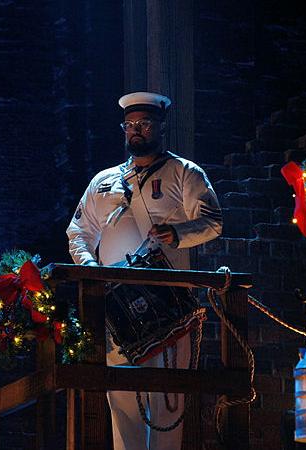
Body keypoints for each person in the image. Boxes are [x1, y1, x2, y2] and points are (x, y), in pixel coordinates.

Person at [66, 91, 223, 450]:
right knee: (120, 397)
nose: (136, 131)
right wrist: (90, 268)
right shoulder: (102, 181)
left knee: (167, 397)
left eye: (144, 124)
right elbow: (78, 231)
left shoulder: (183, 173)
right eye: (130, 125)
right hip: (116, 305)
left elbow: (213, 221)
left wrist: (178, 233)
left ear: (159, 127)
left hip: (168, 303)